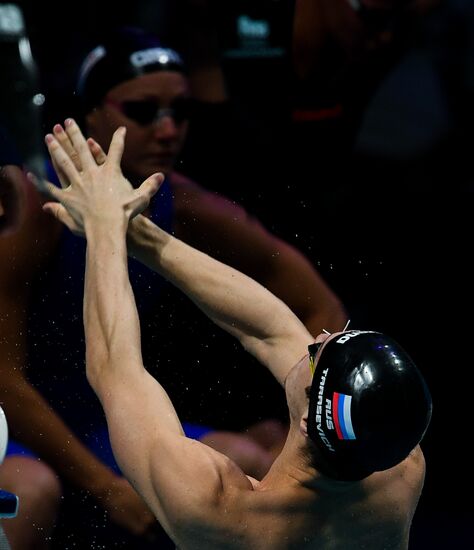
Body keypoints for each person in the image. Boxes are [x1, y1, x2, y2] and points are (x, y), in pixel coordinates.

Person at [0, 26, 346, 546]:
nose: (167, 130)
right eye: (143, 111)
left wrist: (309, 430)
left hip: (111, 422)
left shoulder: (181, 204)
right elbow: (2, 378)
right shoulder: (31, 209)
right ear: (92, 113)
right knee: (32, 495)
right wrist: (105, 487)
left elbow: (318, 307)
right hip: (25, 438)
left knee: (256, 459)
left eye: (180, 112)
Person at [41, 119, 432, 549]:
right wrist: (137, 233)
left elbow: (115, 370)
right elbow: (268, 330)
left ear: (306, 421)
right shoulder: (398, 468)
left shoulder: (215, 508)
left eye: (320, 354)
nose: (317, 337)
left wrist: (101, 226)